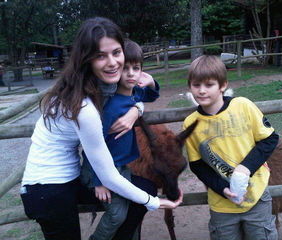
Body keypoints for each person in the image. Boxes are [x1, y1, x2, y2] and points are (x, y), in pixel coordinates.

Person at [20, 17, 182, 240]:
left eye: (116, 52)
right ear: (86, 59)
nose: (113, 62)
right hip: (47, 188)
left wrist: (137, 109)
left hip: (71, 176)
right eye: (100, 56)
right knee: (141, 197)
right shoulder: (84, 107)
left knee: (145, 186)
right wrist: (154, 203)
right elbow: (108, 174)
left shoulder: (100, 84)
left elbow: (132, 95)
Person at [183, 55, 279, 240]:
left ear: (222, 85)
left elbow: (270, 139)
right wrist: (222, 189)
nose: (201, 91)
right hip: (221, 205)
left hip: (256, 197)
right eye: (196, 85)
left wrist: (245, 168)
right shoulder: (191, 123)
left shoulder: (243, 106)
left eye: (209, 84)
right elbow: (197, 165)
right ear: (190, 86)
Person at [82, 39, 160, 240]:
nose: (131, 74)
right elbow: (92, 146)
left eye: (137, 68)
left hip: (121, 168)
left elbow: (151, 95)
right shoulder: (110, 106)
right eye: (126, 68)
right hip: (97, 171)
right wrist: (98, 182)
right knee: (117, 214)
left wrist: (151, 82)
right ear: (117, 70)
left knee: (132, 207)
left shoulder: (134, 94)